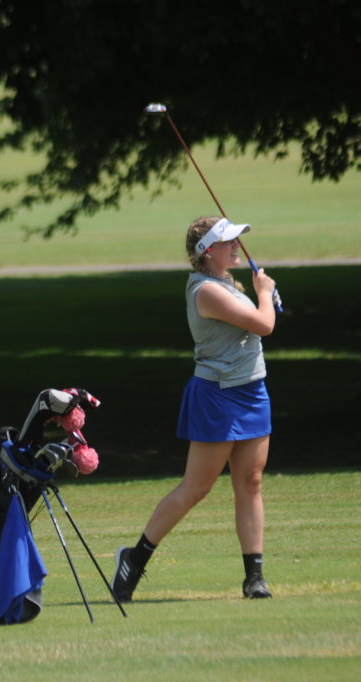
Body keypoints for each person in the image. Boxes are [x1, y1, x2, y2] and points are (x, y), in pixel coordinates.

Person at [112, 215, 278, 602]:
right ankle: (133, 560)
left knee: (250, 483)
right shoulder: (206, 291)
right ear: (206, 251)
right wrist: (266, 293)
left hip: (252, 390)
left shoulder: (227, 284)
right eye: (228, 241)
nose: (236, 245)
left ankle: (254, 578)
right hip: (217, 396)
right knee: (196, 488)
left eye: (236, 239)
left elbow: (255, 323)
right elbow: (264, 325)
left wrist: (262, 298)